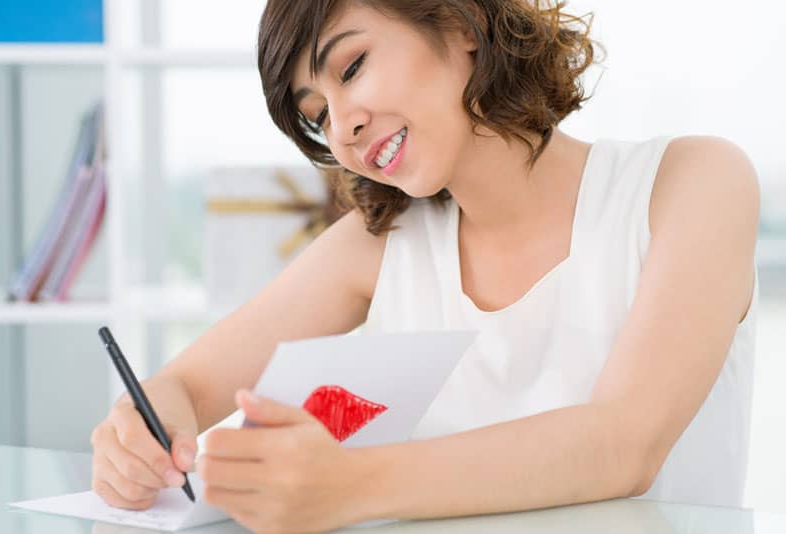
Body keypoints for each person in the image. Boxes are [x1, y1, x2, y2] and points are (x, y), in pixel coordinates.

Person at [89, 1, 761, 532]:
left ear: (459, 21)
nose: (343, 127)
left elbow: (623, 444)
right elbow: (186, 386)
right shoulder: (382, 242)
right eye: (317, 116)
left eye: (351, 68)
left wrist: (346, 485)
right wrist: (138, 430)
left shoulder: (691, 183)